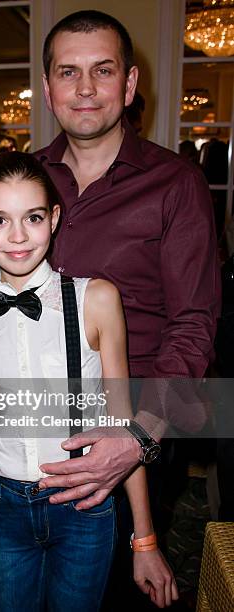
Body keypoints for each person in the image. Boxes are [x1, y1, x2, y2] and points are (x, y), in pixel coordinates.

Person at [0, 151, 178, 611]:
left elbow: (124, 428)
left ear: (54, 219)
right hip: (6, 509)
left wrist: (146, 540)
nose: (17, 237)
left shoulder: (95, 300)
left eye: (32, 217)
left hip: (82, 511)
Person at [32, 9, 220, 509]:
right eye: (68, 72)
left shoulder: (177, 184)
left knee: (122, 580)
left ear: (130, 82)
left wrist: (138, 436)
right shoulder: (21, 181)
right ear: (48, 87)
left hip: (133, 428)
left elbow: (193, 323)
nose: (86, 88)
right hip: (32, 417)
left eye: (104, 69)